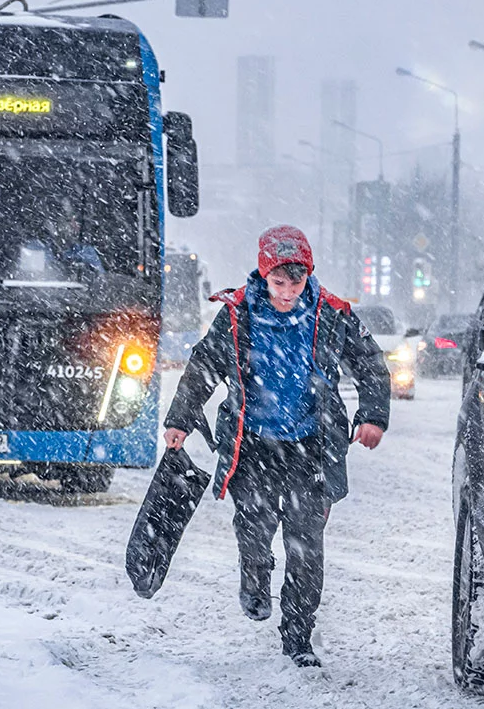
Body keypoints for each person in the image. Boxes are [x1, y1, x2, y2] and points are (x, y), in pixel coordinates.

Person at [162, 224, 390, 669]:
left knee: (306, 547)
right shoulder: (237, 316)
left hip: (311, 448)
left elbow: (371, 363)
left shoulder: (331, 314)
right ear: (263, 276)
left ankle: (298, 638)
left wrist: (372, 416)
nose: (287, 293)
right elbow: (202, 368)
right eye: (278, 283)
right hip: (254, 449)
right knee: (254, 529)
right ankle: (254, 574)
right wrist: (180, 421)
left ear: (308, 276)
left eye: (296, 282)